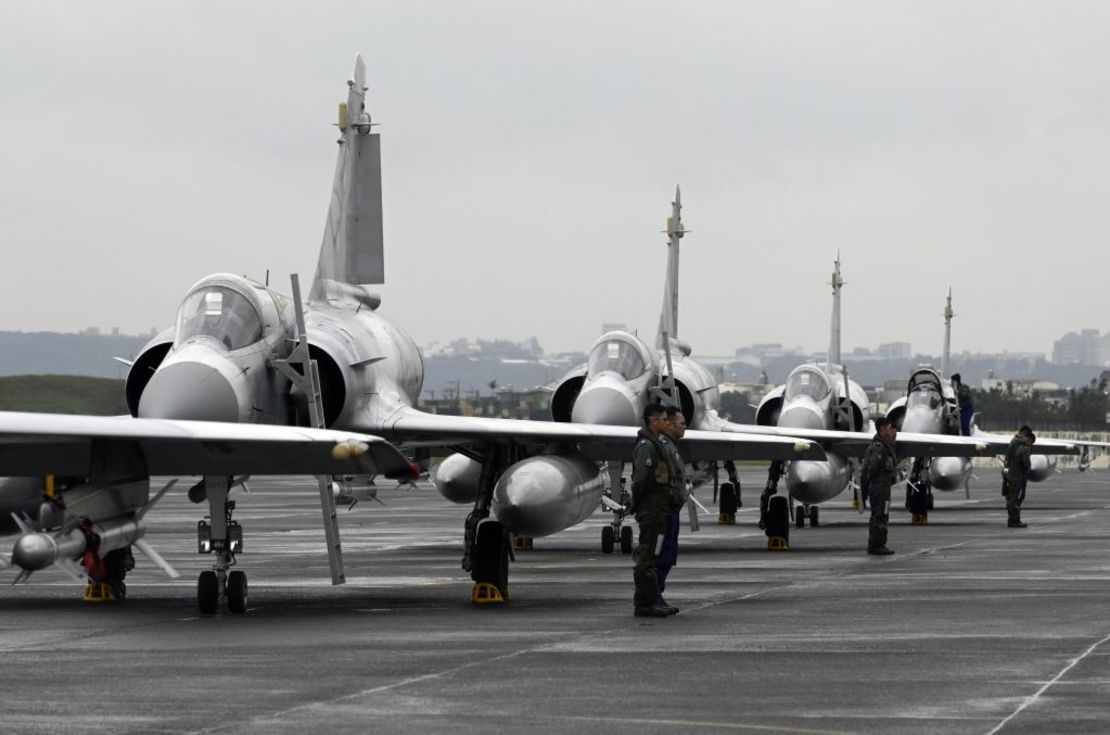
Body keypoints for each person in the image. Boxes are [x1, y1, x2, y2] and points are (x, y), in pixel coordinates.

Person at [630, 402, 683, 618]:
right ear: (653, 421)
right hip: (652, 510)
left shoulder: (656, 445)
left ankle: (652, 600)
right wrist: (637, 504)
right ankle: (645, 603)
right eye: (663, 419)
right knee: (648, 557)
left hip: (659, 508)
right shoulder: (647, 446)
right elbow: (641, 479)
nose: (667, 423)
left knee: (655, 555)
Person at [654, 405, 687, 615]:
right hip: (663, 509)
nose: (684, 428)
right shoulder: (662, 446)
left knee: (668, 555)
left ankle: (657, 595)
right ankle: (653, 596)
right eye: (681, 424)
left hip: (671, 508)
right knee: (660, 555)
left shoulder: (671, 446)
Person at [861, 416, 899, 555]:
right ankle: (877, 545)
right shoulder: (879, 447)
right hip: (879, 488)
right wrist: (865, 489)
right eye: (890, 428)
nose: (893, 432)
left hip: (882, 487)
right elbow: (870, 468)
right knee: (880, 515)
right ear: (883, 430)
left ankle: (876, 544)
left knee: (880, 515)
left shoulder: (884, 446)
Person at [1003, 425, 1034, 528]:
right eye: (1027, 437)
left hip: (1010, 474)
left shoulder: (1014, 442)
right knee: (1014, 499)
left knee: (1012, 498)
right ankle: (1013, 520)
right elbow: (1026, 464)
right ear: (1024, 434)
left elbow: (1008, 460)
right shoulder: (1021, 447)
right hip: (1016, 476)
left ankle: (1014, 520)